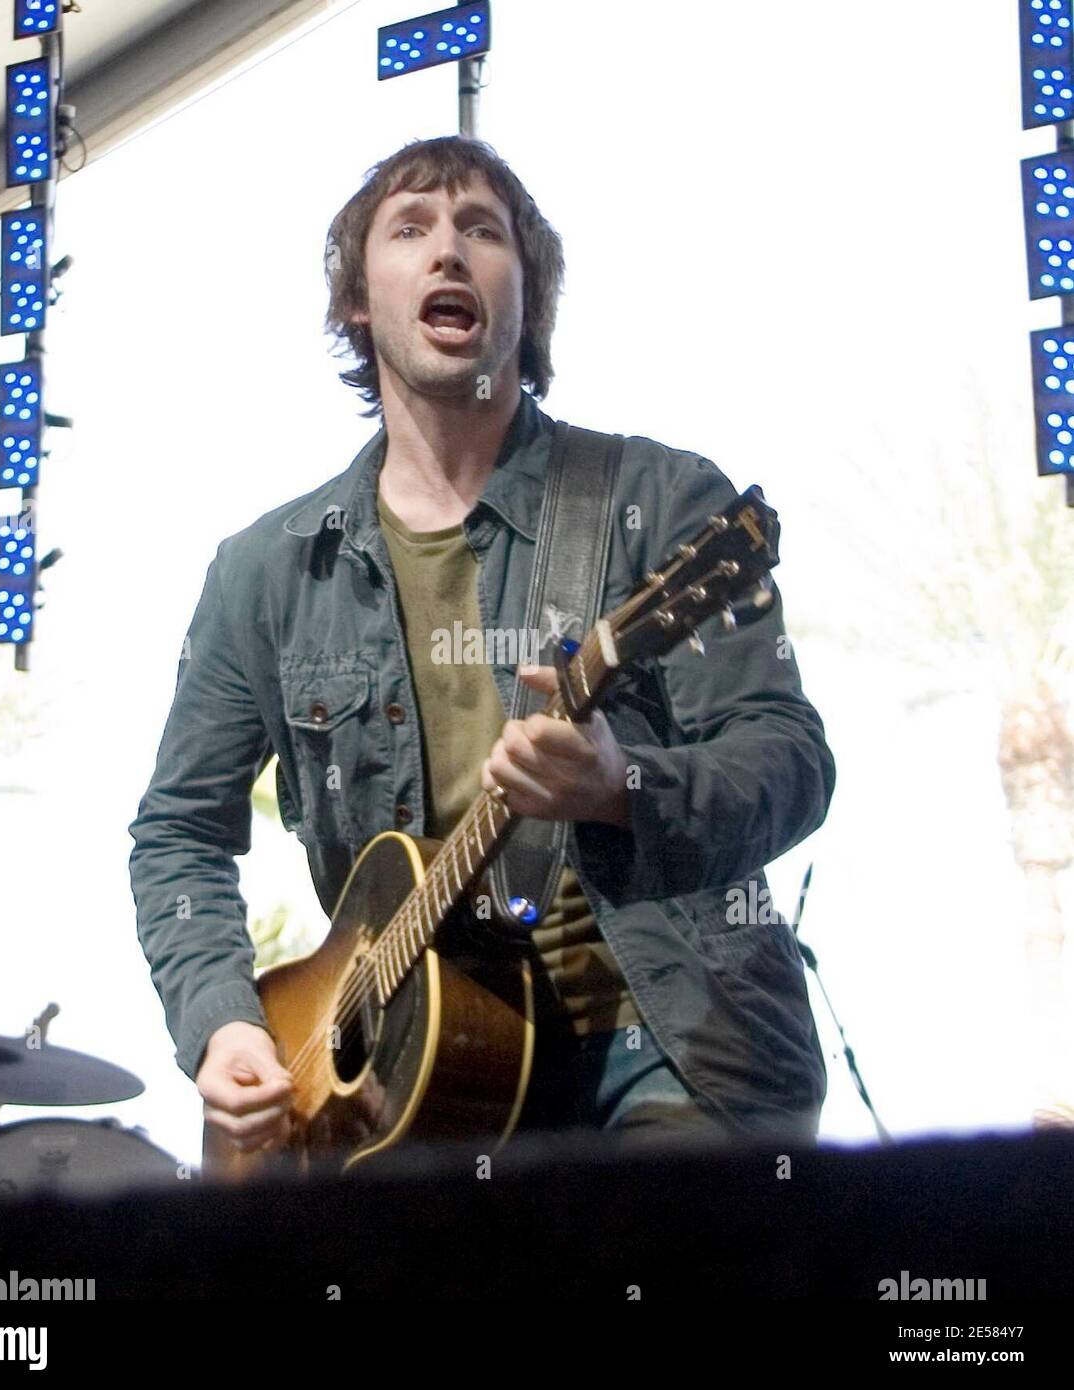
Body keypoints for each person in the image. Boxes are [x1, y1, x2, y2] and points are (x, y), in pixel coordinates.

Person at [128, 135, 835, 1163]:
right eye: (409, 229)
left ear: (523, 299)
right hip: (412, 1084)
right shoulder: (266, 575)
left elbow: (789, 761)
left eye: (481, 231)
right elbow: (177, 832)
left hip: (668, 1044)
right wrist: (224, 1019)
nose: (446, 251)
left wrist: (617, 783)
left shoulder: (659, 501)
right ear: (359, 301)